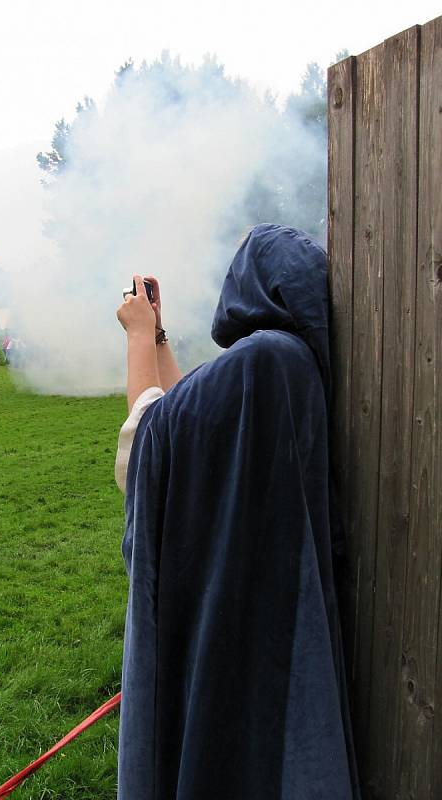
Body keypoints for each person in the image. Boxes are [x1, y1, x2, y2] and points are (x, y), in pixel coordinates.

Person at [114, 224, 360, 800]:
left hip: (236, 618)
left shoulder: (262, 361)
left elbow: (154, 441)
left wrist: (137, 337)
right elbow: (198, 427)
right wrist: (162, 337)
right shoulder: (289, 366)